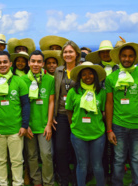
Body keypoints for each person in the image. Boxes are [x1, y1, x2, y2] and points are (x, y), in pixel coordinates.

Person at [105, 43, 138, 186]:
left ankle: (137, 183)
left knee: (136, 159)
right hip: (118, 125)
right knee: (119, 159)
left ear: (135, 58)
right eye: (124, 56)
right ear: (119, 57)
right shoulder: (111, 78)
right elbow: (109, 104)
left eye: (130, 56)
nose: (127, 59)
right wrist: (109, 130)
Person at [0, 51, 30, 186]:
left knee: (17, 161)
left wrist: (24, 125)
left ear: (10, 64)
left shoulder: (19, 81)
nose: (2, 65)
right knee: (0, 161)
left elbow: (25, 105)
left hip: (16, 129)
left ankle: (17, 183)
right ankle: (2, 183)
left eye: (5, 62)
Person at [65, 62, 107, 186]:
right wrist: (74, 125)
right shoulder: (73, 92)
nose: (87, 76)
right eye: (84, 74)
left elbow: (104, 111)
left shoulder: (101, 92)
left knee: (97, 165)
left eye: (90, 73)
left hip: (97, 134)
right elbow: (69, 111)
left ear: (95, 75)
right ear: (80, 77)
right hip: (78, 134)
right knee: (81, 165)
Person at [22, 50, 55, 186]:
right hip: (29, 125)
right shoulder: (21, 80)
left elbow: (51, 102)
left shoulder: (49, 80)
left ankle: (48, 182)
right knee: (31, 155)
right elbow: (20, 104)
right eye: (33, 61)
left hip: (43, 125)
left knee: (46, 155)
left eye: (39, 61)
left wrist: (49, 124)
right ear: (29, 63)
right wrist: (25, 125)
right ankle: (36, 181)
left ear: (43, 64)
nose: (36, 64)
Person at [53, 40, 81, 186]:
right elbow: (54, 95)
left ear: (76, 53)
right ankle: (64, 178)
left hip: (78, 115)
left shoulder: (82, 69)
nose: (68, 54)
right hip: (62, 115)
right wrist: (52, 116)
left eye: (70, 51)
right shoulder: (58, 71)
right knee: (60, 148)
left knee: (77, 148)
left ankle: (77, 178)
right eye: (65, 52)